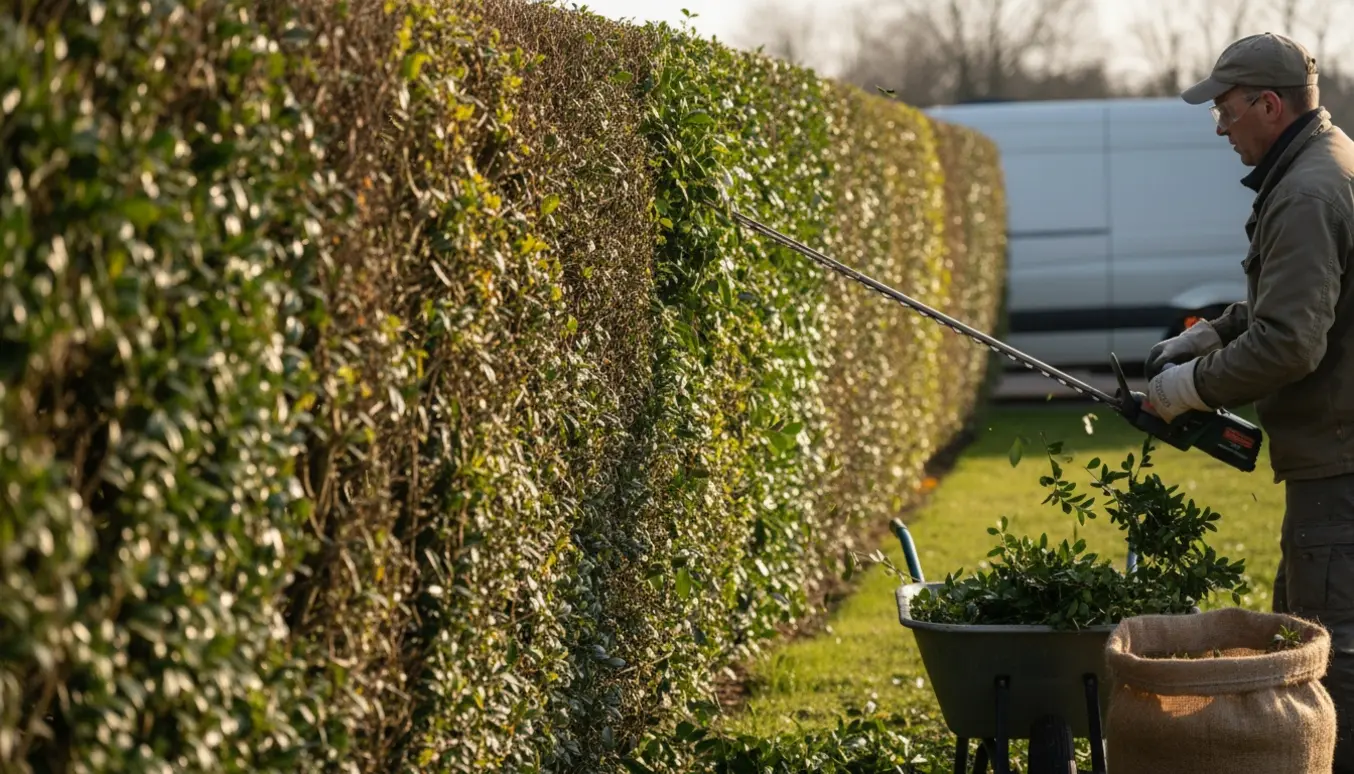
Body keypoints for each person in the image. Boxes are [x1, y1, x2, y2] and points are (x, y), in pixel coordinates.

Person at [1142, 31, 1354, 771]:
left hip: (1341, 467)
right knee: (1296, 640)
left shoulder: (1305, 190)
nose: (1222, 128)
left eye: (1226, 112)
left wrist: (1187, 389)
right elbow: (1287, 299)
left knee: (1329, 664)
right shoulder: (1322, 165)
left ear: (1269, 104)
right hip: (1330, 459)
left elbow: (1293, 343)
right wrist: (1206, 336)